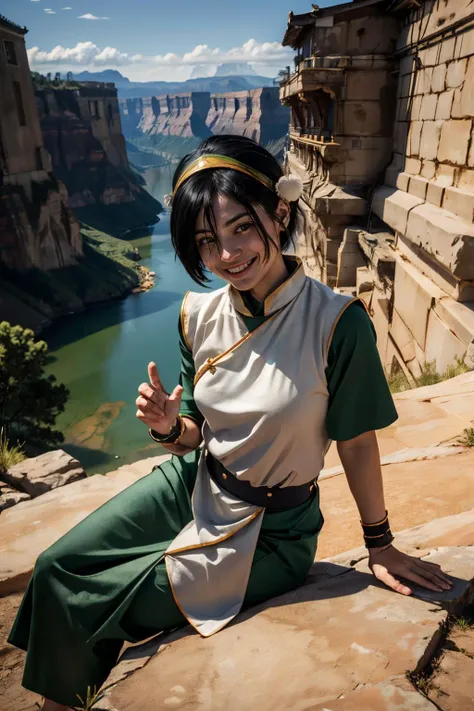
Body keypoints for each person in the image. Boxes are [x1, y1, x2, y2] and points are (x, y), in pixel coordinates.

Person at [8, 135, 452, 711]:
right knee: (55, 568)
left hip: (274, 526)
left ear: (281, 212)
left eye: (242, 227)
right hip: (196, 481)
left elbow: (358, 442)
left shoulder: (337, 322)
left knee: (100, 600)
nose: (226, 256)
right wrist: (171, 428)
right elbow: (195, 428)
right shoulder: (197, 314)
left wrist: (381, 544)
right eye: (207, 241)